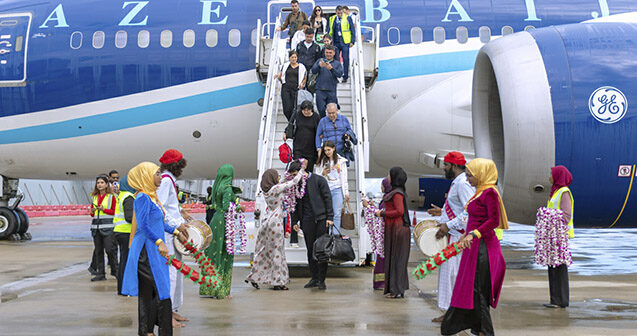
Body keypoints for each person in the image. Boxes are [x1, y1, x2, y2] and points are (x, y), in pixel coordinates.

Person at [441, 158, 508, 336]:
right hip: (474, 245)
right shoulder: (479, 192)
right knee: (472, 289)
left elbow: (493, 220)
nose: (468, 178)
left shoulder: (490, 193)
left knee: (479, 290)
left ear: (481, 174)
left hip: (484, 248)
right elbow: (474, 219)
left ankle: (485, 331)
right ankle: (477, 328)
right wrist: (467, 233)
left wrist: (474, 233)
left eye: (471, 175)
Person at [122, 162, 188, 336]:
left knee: (155, 290)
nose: (160, 177)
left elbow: (159, 223)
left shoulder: (152, 197)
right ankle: (148, 330)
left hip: (155, 248)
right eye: (157, 174)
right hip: (146, 250)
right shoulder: (142, 197)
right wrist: (160, 242)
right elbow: (143, 226)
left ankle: (150, 329)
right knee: (154, 290)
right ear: (146, 176)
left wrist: (175, 232)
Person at [428, 152, 475, 322]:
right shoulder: (458, 182)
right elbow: (458, 210)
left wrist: (448, 225)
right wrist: (442, 214)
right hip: (453, 235)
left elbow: (469, 212)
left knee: (452, 275)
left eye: (446, 165)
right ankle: (450, 311)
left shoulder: (462, 184)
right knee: (448, 274)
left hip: (458, 237)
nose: (444, 168)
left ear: (454, 166)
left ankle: (453, 313)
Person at [245, 162, 307, 290]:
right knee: (277, 253)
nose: (279, 178)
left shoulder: (267, 190)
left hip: (266, 222)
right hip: (275, 223)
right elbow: (293, 182)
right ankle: (277, 282)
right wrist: (301, 170)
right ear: (273, 179)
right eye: (276, 176)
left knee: (263, 251)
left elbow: (282, 182)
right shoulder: (276, 189)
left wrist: (287, 175)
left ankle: (255, 276)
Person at [157, 149, 191, 327]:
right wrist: (176, 225)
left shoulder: (169, 180)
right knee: (169, 274)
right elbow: (160, 208)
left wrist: (181, 213)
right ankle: (165, 316)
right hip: (169, 233)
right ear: (175, 166)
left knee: (176, 272)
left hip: (174, 233)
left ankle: (172, 309)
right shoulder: (165, 181)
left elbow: (170, 206)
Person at [290, 161, 333, 290]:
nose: (293, 177)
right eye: (291, 175)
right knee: (310, 250)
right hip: (306, 221)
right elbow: (295, 205)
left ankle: (322, 279)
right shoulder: (296, 186)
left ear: (302, 171)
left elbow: (328, 198)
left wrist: (330, 217)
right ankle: (314, 278)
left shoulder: (318, 180)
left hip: (321, 219)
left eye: (295, 174)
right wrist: (295, 221)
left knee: (321, 250)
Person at [200, 164, 240, 299]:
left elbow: (215, 205)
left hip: (215, 220)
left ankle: (210, 288)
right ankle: (221, 290)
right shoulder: (227, 189)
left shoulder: (217, 188)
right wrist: (239, 208)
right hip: (224, 221)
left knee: (213, 252)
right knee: (223, 253)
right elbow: (227, 207)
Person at [376, 167, 410, 298]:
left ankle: (396, 290)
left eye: (389, 175)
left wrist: (382, 213)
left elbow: (399, 211)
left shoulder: (397, 194)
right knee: (395, 259)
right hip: (394, 228)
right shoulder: (397, 192)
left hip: (397, 229)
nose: (388, 177)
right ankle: (396, 289)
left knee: (396, 259)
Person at [544, 165, 574, 309]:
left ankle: (561, 300)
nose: (549, 176)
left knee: (559, 268)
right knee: (552, 267)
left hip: (559, 237)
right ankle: (555, 299)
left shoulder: (564, 192)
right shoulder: (555, 192)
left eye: (551, 174)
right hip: (552, 235)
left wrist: (546, 215)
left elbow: (566, 216)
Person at [314, 141, 349, 230]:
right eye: (325, 151)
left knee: (337, 213)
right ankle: (328, 234)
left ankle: (335, 236)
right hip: (325, 189)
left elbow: (344, 178)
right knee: (326, 213)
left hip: (337, 188)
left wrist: (346, 192)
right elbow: (317, 178)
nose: (327, 152)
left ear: (334, 149)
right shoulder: (322, 162)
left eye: (329, 150)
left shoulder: (341, 161)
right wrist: (323, 173)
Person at [89, 175, 118, 282]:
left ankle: (115, 270)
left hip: (108, 228)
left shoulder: (112, 196)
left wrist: (104, 210)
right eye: (98, 183)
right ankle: (101, 273)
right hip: (96, 228)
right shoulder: (94, 197)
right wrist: (91, 212)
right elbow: (92, 213)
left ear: (106, 184)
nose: (100, 185)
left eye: (102, 183)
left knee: (110, 250)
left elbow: (115, 211)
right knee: (98, 251)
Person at [113, 175, 136, 295]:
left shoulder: (121, 195)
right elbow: (129, 217)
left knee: (124, 260)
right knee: (126, 261)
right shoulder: (128, 197)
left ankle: (122, 288)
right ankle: (124, 288)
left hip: (120, 231)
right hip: (126, 232)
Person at [284, 100, 321, 172]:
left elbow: (320, 130)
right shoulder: (297, 114)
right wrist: (285, 132)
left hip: (311, 149)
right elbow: (290, 124)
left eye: (308, 110)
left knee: (308, 170)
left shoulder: (316, 117)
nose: (306, 112)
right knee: (297, 169)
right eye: (304, 110)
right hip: (298, 147)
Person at [311, 45, 343, 118]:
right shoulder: (320, 61)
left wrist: (331, 69)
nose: (328, 54)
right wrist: (319, 66)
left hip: (331, 90)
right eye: (327, 52)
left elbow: (339, 74)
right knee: (321, 109)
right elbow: (313, 71)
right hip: (320, 90)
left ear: (334, 53)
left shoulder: (337, 63)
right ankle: (323, 124)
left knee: (332, 110)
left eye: (330, 53)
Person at [277, 50, 307, 121]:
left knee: (294, 108)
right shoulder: (285, 65)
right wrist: (281, 81)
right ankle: (291, 122)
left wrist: (302, 83)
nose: (294, 59)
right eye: (292, 57)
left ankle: (293, 123)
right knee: (287, 109)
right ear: (289, 58)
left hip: (296, 89)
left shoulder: (301, 67)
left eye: (295, 57)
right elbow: (280, 76)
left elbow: (304, 78)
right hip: (286, 88)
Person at [328, 5, 355, 82]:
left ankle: (345, 76)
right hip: (335, 42)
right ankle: (336, 76)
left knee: (345, 59)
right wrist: (329, 40)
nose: (339, 14)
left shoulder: (347, 18)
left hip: (345, 42)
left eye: (340, 13)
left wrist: (352, 41)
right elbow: (329, 30)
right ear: (336, 12)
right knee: (336, 59)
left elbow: (352, 30)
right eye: (338, 13)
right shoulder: (332, 18)